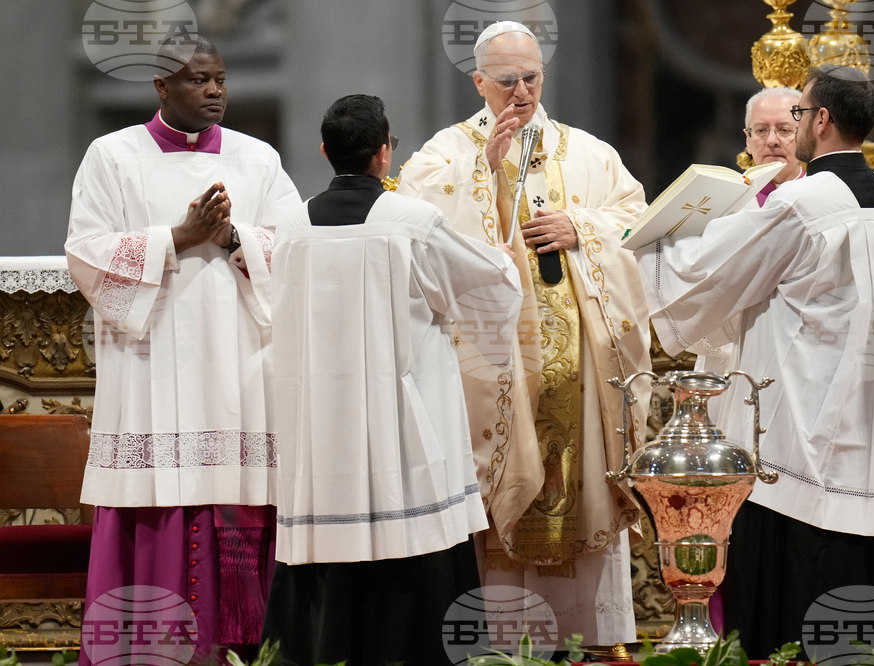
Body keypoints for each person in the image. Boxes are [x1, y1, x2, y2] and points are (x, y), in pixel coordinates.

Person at [634, 65, 874, 658]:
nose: (793, 126)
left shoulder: (804, 200)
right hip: (860, 413)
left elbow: (713, 271)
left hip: (800, 424)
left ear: (821, 119)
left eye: (799, 114)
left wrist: (652, 242)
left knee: (791, 572)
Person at [398, 21, 651, 647]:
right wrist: (481, 172)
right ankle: (504, 638)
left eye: (531, 77)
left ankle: (590, 632)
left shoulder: (589, 153)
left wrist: (581, 229)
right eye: (507, 80)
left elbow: (637, 223)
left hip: (581, 362)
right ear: (479, 82)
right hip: (499, 361)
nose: (521, 91)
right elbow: (413, 223)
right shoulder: (446, 153)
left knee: (580, 476)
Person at [261, 94, 522, 666]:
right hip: (402, 422)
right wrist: (505, 256)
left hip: (321, 430)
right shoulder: (412, 222)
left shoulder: (291, 228)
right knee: (416, 534)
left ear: (325, 151)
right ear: (384, 153)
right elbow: (489, 287)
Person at [65, 37, 300, 664]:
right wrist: (178, 236)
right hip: (151, 364)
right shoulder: (112, 155)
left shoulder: (258, 159)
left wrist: (231, 239)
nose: (215, 90)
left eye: (220, 78)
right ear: (161, 87)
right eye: (199, 80)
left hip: (236, 363)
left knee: (236, 491)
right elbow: (86, 251)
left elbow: (294, 249)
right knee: (154, 499)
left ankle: (242, 648)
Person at [694, 86, 806, 379]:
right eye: (761, 130)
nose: (772, 140)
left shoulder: (820, 197)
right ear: (747, 139)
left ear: (805, 134)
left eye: (784, 130)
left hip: (803, 352)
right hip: (733, 353)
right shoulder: (718, 201)